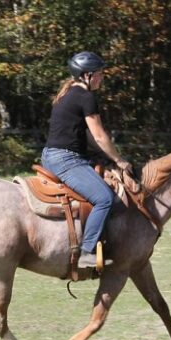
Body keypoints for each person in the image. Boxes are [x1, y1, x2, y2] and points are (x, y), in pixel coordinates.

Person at [41, 51, 133, 269]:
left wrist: (105, 156)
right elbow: (100, 136)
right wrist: (119, 160)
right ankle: (86, 252)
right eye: (99, 74)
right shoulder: (85, 97)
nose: (102, 77)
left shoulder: (69, 93)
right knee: (104, 198)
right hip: (66, 159)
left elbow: (89, 137)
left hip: (54, 155)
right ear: (86, 75)